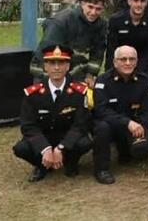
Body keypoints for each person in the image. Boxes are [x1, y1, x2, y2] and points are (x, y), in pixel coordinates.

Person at [13, 44, 92, 182]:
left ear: (68, 67)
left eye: (61, 63)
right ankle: (42, 166)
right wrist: (45, 148)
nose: (56, 67)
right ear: (45, 66)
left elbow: (80, 125)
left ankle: (70, 163)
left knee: (84, 143)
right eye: (52, 63)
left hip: (66, 137)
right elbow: (28, 126)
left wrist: (61, 148)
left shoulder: (79, 92)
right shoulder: (33, 93)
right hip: (45, 136)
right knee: (21, 148)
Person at [92, 45, 148, 185]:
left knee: (143, 148)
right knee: (102, 128)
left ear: (137, 61)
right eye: (123, 59)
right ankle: (102, 169)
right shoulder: (103, 80)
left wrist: (142, 127)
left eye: (132, 59)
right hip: (110, 124)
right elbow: (101, 111)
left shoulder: (144, 81)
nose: (128, 63)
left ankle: (125, 151)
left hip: (132, 125)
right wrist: (127, 123)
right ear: (115, 62)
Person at [32, 0, 107, 86]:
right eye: (90, 7)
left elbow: (98, 53)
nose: (93, 12)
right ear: (82, 4)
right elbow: (46, 53)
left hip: (75, 67)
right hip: (47, 66)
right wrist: (46, 82)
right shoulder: (62, 21)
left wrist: (90, 75)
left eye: (98, 9)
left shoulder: (101, 25)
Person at [106, 0, 148, 104]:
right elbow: (112, 49)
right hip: (120, 61)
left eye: (142, 1)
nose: (139, 5)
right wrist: (115, 68)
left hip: (143, 63)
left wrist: (136, 68)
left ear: (147, 3)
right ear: (129, 1)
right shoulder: (116, 20)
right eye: (135, 1)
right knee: (111, 81)